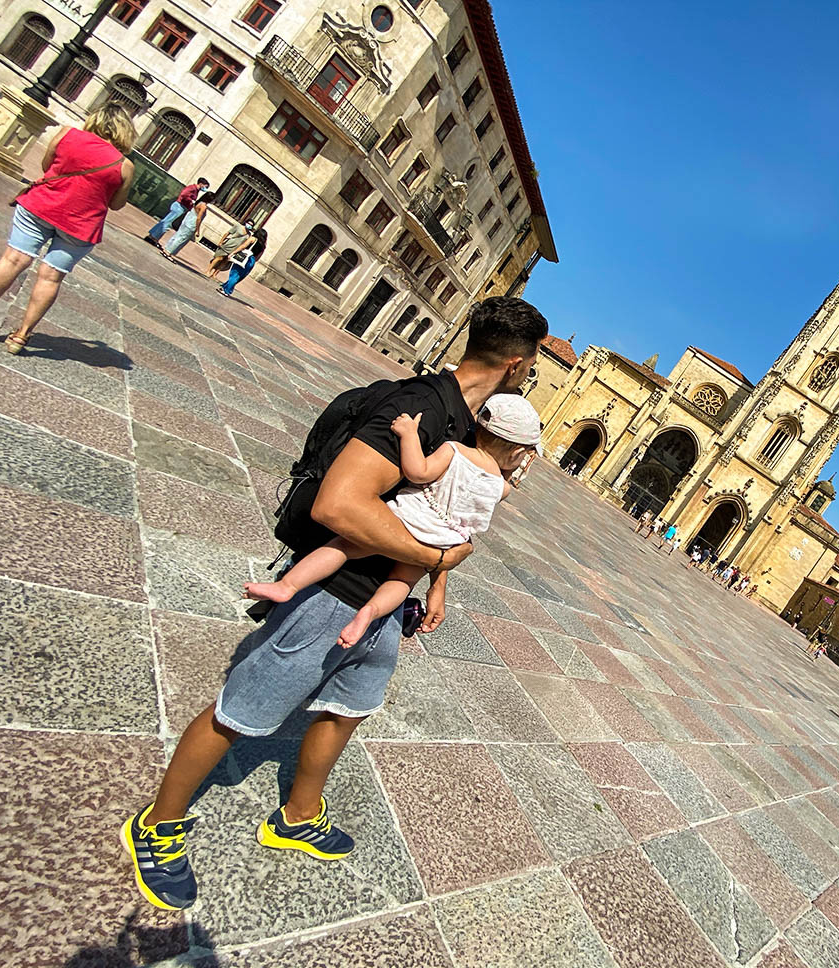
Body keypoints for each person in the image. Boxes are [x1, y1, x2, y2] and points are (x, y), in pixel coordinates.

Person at [121, 297, 548, 912]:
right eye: (530, 364)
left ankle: (297, 815)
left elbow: (447, 514)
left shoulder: (466, 423)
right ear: (515, 363)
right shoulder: (421, 409)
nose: (529, 373)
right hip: (333, 594)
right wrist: (433, 562)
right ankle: (158, 826)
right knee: (241, 709)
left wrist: (436, 583)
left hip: (383, 603)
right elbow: (338, 507)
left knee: (348, 707)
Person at [245, 394, 538, 645]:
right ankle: (368, 613)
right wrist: (509, 468)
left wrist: (409, 434)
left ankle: (288, 586)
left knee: (344, 547)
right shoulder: (502, 488)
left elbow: (418, 472)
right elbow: (493, 490)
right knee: (401, 581)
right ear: (516, 452)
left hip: (405, 521)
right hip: (441, 543)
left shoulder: (455, 451)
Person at [0, 105, 136, 355]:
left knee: (12, 259)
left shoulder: (67, 134)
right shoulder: (124, 166)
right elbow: (116, 205)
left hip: (40, 207)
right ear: (126, 132)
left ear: (94, 119)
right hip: (80, 226)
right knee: (50, 277)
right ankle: (21, 336)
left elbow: (46, 166)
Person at [146, 177, 208, 246]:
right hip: (179, 206)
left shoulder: (196, 190)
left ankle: (153, 236)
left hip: (181, 207)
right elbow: (183, 194)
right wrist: (191, 201)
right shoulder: (192, 188)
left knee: (166, 221)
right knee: (167, 223)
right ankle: (153, 238)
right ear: (201, 184)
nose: (205, 189)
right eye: (205, 186)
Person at [162, 187, 210, 261]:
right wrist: (197, 230)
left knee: (177, 235)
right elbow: (199, 218)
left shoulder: (198, 202)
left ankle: (167, 248)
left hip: (186, 221)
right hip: (191, 225)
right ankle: (169, 252)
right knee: (181, 239)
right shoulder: (203, 206)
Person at [220, 226, 267, 297]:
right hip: (252, 261)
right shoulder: (263, 246)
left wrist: (233, 252)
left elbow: (243, 246)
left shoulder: (253, 239)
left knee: (235, 273)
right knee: (239, 276)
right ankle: (225, 286)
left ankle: (227, 291)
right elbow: (258, 257)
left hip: (245, 257)